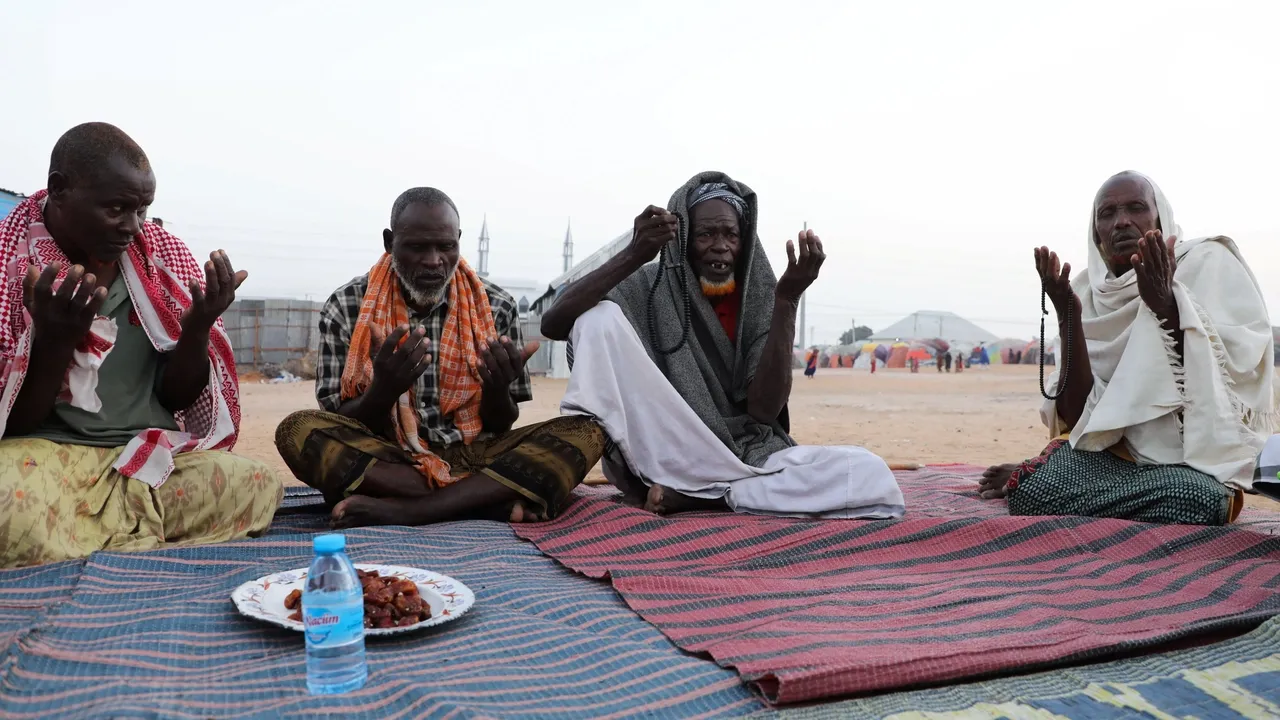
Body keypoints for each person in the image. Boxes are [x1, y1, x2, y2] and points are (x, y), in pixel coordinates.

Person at [540, 172, 903, 519]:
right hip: (662, 449)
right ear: (682, 240)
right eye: (706, 235)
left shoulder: (759, 297)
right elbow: (554, 323)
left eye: (731, 235)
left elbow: (763, 411)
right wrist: (635, 254)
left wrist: (787, 301)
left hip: (741, 453)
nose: (720, 247)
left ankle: (707, 497)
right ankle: (691, 487)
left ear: (744, 240)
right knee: (597, 317)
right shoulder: (651, 286)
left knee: (870, 474)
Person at [0, 123, 281, 567]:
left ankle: (84, 540)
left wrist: (197, 328)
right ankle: (137, 537)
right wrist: (55, 341)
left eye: (142, 210)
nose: (133, 227)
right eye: (117, 208)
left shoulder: (160, 259)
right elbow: (14, 424)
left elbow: (176, 398)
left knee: (257, 484)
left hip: (147, 460)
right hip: (45, 461)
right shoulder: (11, 261)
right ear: (59, 189)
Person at [275, 188, 605, 528]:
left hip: (478, 454)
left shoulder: (496, 306)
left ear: (458, 241)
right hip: (393, 457)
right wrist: (384, 389)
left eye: (446, 247)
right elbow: (338, 420)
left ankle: (411, 510)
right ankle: (482, 500)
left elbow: (501, 423)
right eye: (418, 247)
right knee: (297, 431)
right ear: (390, 243)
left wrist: (496, 388)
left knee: (588, 433)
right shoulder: (347, 307)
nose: (434, 260)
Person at [980, 172, 1275, 525]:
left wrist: (1167, 306)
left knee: (1200, 499)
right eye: (1107, 213)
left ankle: (1067, 478)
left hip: (1193, 461)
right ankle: (1067, 477)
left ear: (1159, 217)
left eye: (1136, 208)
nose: (1122, 221)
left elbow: (1231, 385)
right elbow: (1079, 419)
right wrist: (1068, 315)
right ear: (1096, 233)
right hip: (1114, 455)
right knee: (1033, 493)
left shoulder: (1207, 263)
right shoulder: (1085, 291)